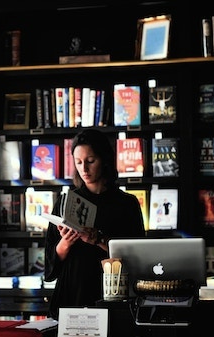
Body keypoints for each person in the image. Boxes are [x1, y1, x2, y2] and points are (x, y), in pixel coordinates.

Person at [44, 129, 146, 319]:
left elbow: (137, 258)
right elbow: (49, 270)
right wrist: (65, 243)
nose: (84, 169)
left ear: (105, 159)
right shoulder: (66, 201)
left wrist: (98, 239)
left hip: (111, 295)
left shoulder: (127, 204)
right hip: (71, 296)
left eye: (90, 161)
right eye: (78, 162)